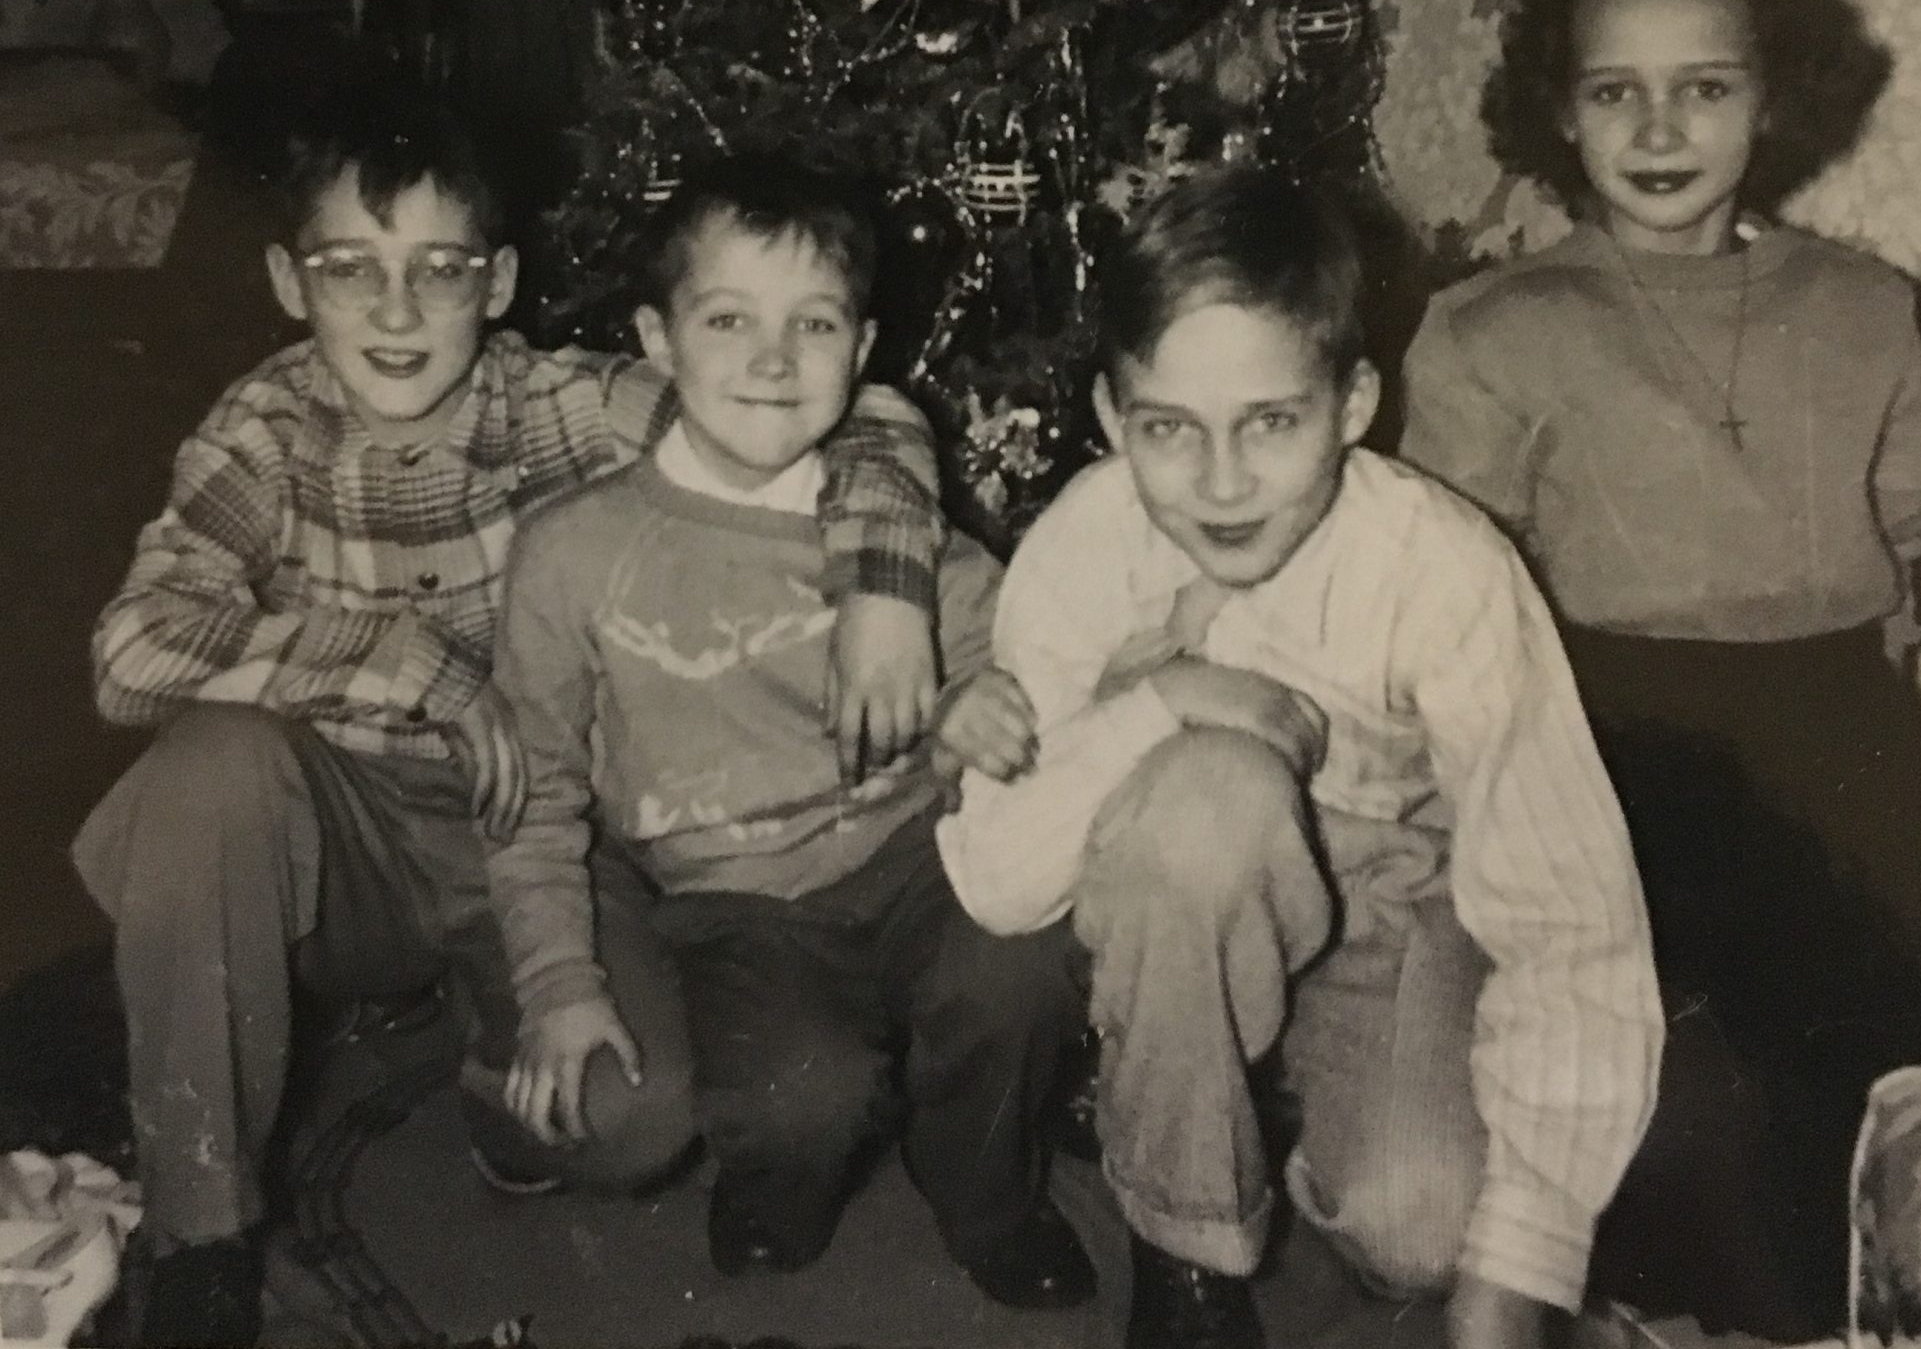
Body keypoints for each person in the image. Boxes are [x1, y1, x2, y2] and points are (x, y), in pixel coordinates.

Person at [72, 75, 948, 1348]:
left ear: (495, 283)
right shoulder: (260, 431)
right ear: (285, 279)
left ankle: (496, 1081)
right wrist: (405, 659)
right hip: (343, 840)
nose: (393, 307)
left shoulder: (563, 400)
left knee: (632, 1124)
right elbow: (132, 648)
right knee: (208, 768)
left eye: (438, 268)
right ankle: (200, 1231)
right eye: (349, 267)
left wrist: (883, 585)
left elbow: (846, 413)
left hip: (538, 838)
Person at [935, 163, 1661, 1349]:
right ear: (1113, 419)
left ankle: (1241, 1088)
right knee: (1211, 792)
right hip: (1174, 891)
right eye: (1168, 428)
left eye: (1270, 422)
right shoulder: (1077, 546)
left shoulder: (1444, 567)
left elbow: (1566, 910)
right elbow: (999, 880)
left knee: (1421, 1236)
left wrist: (1514, 1267)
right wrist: (1158, 699)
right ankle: (1182, 1242)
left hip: (1392, 905)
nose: (1221, 484)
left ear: (1353, 400)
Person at [1399, 0, 1921, 1339]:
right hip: (1612, 732)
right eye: (1616, 91)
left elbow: (1903, 516)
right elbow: (1441, 578)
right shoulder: (1496, 325)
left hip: (1840, 726)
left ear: (1773, 98)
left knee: (1892, 1062)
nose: (1660, 128)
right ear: (1560, 112)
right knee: (1675, 1077)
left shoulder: (1863, 304)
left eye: (1706, 88)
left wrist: (1874, 664)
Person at [483, 152, 1095, 1312]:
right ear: (655, 341)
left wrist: (976, 704)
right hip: (734, 897)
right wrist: (560, 983)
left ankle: (984, 1190)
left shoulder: (891, 533)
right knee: (800, 1090)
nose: (773, 360)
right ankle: (778, 1169)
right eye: (727, 319)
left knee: (1019, 965)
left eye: (814, 323)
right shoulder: (574, 550)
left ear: (860, 352)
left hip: (911, 850)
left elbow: (1012, 655)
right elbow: (537, 794)